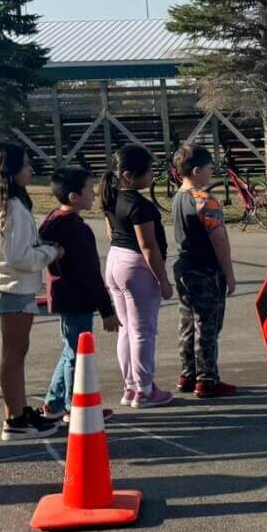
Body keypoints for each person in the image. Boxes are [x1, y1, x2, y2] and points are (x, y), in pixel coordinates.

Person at [0, 141, 65, 440]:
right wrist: (52, 253)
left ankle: (18, 410)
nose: (31, 169)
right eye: (25, 164)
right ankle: (15, 419)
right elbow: (19, 256)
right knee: (13, 353)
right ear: (9, 171)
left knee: (16, 351)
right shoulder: (13, 208)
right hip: (10, 285)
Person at [40, 165, 121, 420]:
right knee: (77, 354)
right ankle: (75, 405)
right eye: (89, 190)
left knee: (70, 350)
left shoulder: (54, 220)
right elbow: (89, 274)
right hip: (76, 298)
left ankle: (54, 404)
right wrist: (106, 309)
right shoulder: (76, 230)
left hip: (65, 295)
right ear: (74, 197)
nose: (94, 194)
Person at [102, 144, 173, 408]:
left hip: (115, 260)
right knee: (143, 330)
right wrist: (163, 279)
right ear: (130, 176)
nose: (152, 175)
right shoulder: (140, 206)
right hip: (135, 265)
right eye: (149, 171)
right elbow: (148, 246)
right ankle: (144, 389)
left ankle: (131, 386)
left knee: (126, 329)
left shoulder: (110, 197)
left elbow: (111, 233)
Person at [171, 143, 238, 397]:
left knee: (187, 322)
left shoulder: (179, 197)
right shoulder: (204, 200)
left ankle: (187, 373)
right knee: (207, 324)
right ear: (197, 170)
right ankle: (207, 377)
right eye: (210, 167)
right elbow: (218, 238)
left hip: (184, 266)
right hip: (205, 269)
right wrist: (228, 273)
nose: (212, 172)